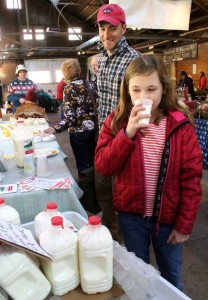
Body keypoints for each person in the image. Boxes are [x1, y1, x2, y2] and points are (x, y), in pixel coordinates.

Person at [94, 54, 202, 290]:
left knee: (171, 276)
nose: (144, 97)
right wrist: (127, 134)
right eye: (136, 90)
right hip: (131, 217)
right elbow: (103, 166)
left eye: (151, 89)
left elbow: (192, 179)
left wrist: (184, 225)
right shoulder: (116, 122)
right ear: (128, 91)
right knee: (137, 275)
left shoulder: (180, 125)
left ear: (163, 88)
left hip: (169, 219)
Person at [95, 3, 140, 241]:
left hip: (126, 138)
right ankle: (110, 235)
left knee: (122, 192)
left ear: (124, 28)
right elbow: (102, 99)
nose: (106, 34)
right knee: (102, 188)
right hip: (103, 136)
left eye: (112, 27)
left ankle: (122, 243)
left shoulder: (135, 61)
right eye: (102, 27)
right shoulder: (100, 60)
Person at [44, 58, 98, 177]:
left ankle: (86, 191)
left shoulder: (69, 89)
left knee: (82, 164)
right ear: (78, 70)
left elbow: (71, 118)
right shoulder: (92, 84)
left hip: (79, 132)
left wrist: (56, 128)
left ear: (65, 74)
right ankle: (96, 189)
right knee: (94, 160)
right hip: (94, 130)